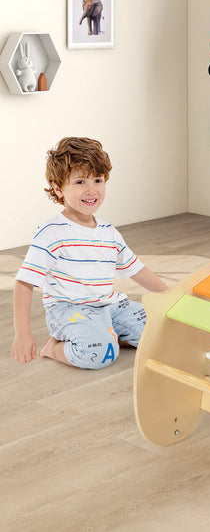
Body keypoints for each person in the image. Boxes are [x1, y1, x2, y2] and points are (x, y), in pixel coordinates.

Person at [11, 137, 168, 369]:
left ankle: (109, 334)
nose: (91, 190)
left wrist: (170, 295)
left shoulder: (109, 232)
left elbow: (136, 269)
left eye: (97, 180)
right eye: (80, 182)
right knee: (100, 355)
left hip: (109, 304)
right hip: (68, 309)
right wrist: (22, 334)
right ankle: (53, 348)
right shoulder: (51, 233)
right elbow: (24, 282)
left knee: (161, 333)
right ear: (58, 189)